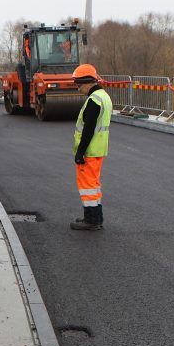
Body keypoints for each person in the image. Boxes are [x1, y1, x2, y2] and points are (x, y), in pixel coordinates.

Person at [70, 64, 112, 231]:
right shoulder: (104, 96)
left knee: (87, 185)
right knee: (93, 185)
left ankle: (92, 220)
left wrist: (80, 151)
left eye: (79, 85)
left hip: (90, 150)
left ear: (87, 82)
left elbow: (88, 128)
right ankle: (95, 217)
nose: (78, 88)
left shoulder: (94, 100)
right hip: (99, 149)